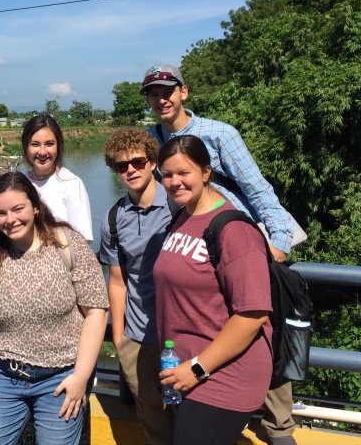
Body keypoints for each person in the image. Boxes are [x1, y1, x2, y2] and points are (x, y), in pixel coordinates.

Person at [142, 64, 299, 444]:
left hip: (236, 249)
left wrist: (272, 247)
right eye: (153, 93)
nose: (161, 98)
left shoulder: (218, 133)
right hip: (194, 257)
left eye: (168, 90)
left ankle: (280, 432)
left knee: (261, 349)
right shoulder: (151, 139)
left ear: (184, 92)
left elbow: (259, 192)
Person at [0, 172, 108, 445]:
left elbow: (96, 312)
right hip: (1, 376)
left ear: (36, 207)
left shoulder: (67, 244)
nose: (10, 220)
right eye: (0, 213)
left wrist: (81, 377)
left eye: (18, 209)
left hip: (60, 378)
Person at [155, 135, 272, 445]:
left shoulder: (233, 228)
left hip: (222, 376)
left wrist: (197, 368)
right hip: (185, 372)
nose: (175, 182)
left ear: (206, 172)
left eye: (184, 173)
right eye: (167, 175)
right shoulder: (183, 216)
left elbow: (253, 314)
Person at [98, 128, 174, 445]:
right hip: (138, 336)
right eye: (121, 165)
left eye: (137, 161)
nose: (130, 169)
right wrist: (119, 337)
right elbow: (117, 280)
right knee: (153, 421)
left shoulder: (178, 206)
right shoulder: (114, 218)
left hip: (180, 334)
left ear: (152, 162)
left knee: (190, 416)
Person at [21, 114, 93, 241]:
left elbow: (82, 241)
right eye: (35, 144)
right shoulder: (20, 185)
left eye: (49, 144)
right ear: (26, 147)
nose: (42, 152)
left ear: (58, 147)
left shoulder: (71, 184)